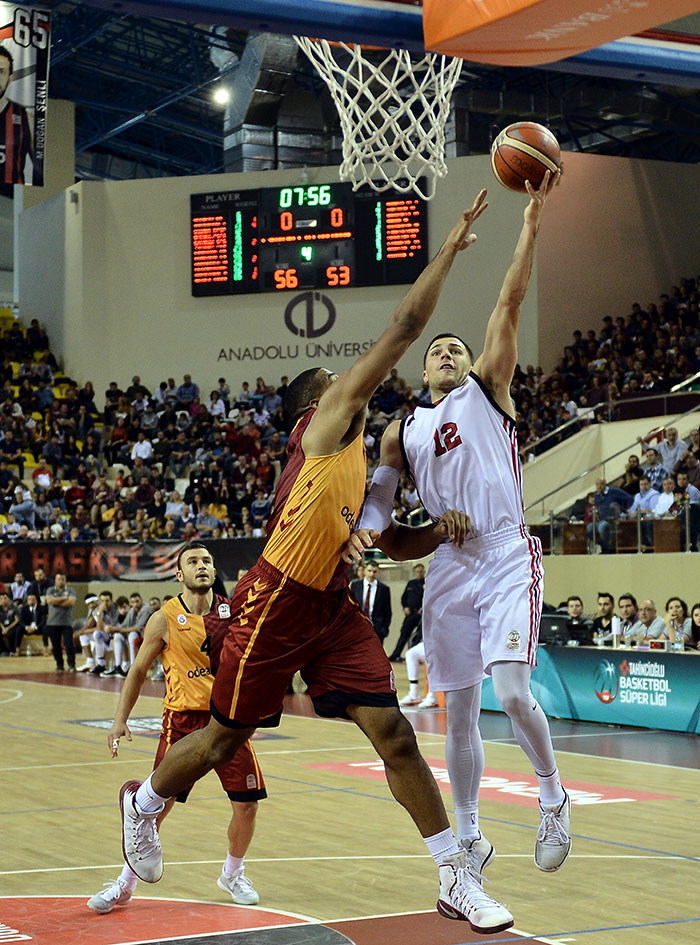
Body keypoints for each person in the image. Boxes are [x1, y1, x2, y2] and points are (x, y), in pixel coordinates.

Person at [119, 194, 519, 934]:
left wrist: (435, 532)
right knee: (222, 738)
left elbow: (389, 541)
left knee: (394, 733)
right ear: (318, 399)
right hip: (275, 600)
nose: (351, 377)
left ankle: (455, 876)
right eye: (336, 374)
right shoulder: (327, 425)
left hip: (332, 607)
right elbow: (403, 327)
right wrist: (453, 248)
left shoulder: (357, 463)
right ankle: (141, 807)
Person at [347, 171, 571, 884]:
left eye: (455, 348)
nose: (446, 352)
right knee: (462, 709)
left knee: (510, 691)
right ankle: (469, 836)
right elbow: (382, 511)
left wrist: (530, 224)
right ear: (422, 370)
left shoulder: (488, 390)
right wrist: (363, 529)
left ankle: (553, 794)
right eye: (435, 350)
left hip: (505, 551)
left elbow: (510, 298)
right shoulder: (401, 429)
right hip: (448, 564)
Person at [89, 542, 265, 914]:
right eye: (193, 561)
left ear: (215, 572)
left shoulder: (233, 612)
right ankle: (125, 883)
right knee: (154, 811)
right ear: (179, 574)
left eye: (207, 561)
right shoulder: (163, 618)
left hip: (227, 722)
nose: (201, 566)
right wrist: (120, 719)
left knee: (247, 807)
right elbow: (137, 671)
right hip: (183, 722)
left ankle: (232, 874)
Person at [0, 45, 34, 186]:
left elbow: (43, 166)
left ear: (10, 78)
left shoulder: (27, 120)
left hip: (9, 200)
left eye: (1, 72)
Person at [388, 563, 426, 663]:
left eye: (421, 572)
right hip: (410, 613)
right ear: (414, 573)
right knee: (404, 634)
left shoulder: (427, 583)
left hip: (422, 615)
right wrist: (405, 607)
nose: (419, 573)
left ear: (424, 572)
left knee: (419, 636)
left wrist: (422, 610)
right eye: (417, 572)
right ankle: (396, 655)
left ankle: (416, 657)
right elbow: (404, 598)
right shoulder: (410, 584)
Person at [349, 560, 392, 643]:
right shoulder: (355, 585)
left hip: (376, 628)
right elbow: (350, 606)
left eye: (375, 571)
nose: (372, 574)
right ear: (364, 571)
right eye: (369, 571)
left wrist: (384, 629)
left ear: (378, 572)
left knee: (375, 654)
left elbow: (387, 611)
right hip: (357, 626)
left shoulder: (384, 589)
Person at [45, 571, 77, 671]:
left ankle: (71, 664)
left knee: (69, 645)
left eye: (63, 579)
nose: (61, 581)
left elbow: (71, 602)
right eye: (58, 579)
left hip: (66, 623)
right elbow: (49, 601)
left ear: (65, 580)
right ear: (55, 580)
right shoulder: (50, 590)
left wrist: (56, 601)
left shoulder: (70, 590)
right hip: (52, 623)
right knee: (56, 646)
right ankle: (59, 664)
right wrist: (63, 598)